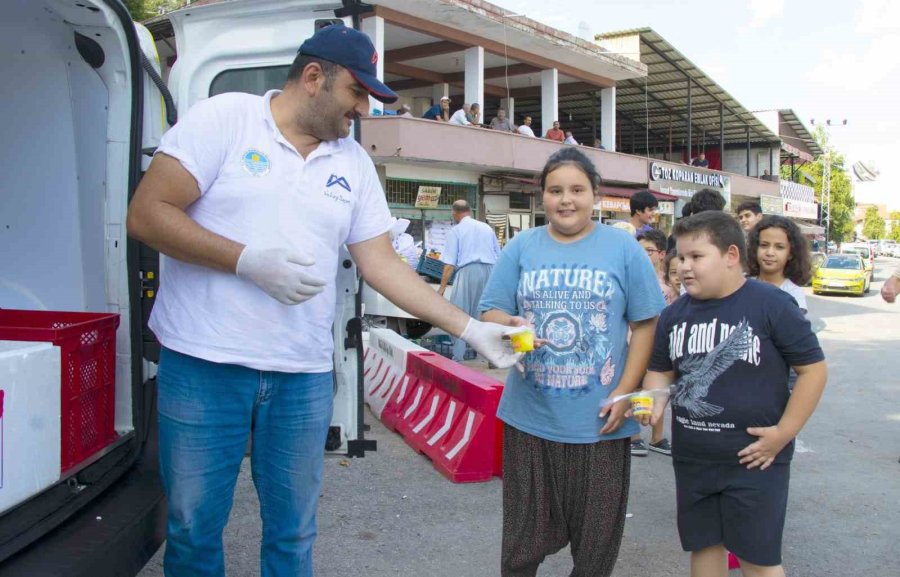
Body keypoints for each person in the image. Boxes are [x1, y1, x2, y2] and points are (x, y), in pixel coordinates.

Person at [126, 24, 519, 577]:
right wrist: (245, 260)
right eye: (356, 94)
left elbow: (381, 264)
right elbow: (148, 214)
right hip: (204, 364)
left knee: (292, 536)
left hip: (300, 375)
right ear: (314, 77)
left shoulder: (351, 163)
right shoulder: (225, 120)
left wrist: (470, 328)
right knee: (192, 529)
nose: (360, 110)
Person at [479, 147, 665, 577]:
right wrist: (509, 322)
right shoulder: (522, 246)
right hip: (529, 419)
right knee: (521, 547)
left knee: (596, 548)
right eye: (555, 190)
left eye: (577, 190)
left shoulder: (623, 248)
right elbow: (488, 310)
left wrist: (625, 391)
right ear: (542, 196)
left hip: (601, 422)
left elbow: (646, 323)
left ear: (595, 194)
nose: (566, 200)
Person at [642, 211, 827, 577]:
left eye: (696, 257)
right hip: (694, 458)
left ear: (730, 256)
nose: (684, 267)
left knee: (757, 559)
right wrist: (654, 398)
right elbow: (660, 370)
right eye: (680, 257)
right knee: (704, 547)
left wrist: (783, 433)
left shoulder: (772, 304)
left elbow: (813, 371)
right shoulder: (674, 315)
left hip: (756, 460)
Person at [439, 200, 501, 361]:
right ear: (470, 211)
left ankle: (458, 357)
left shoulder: (457, 231)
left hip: (467, 272)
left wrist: (442, 289)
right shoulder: (487, 228)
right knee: (485, 315)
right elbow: (499, 256)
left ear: (454, 213)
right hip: (490, 271)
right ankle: (490, 357)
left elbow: (449, 264)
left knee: (458, 314)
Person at [631, 229, 675, 457]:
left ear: (661, 254)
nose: (644, 255)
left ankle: (658, 437)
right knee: (637, 388)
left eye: (649, 251)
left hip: (663, 343)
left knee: (660, 389)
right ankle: (634, 435)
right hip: (636, 342)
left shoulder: (670, 279)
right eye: (640, 250)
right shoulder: (632, 277)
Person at [747, 216, 811, 314]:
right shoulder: (742, 284)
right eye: (764, 245)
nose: (770, 252)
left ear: (791, 253)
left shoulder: (794, 294)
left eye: (779, 247)